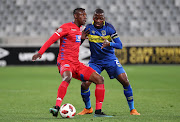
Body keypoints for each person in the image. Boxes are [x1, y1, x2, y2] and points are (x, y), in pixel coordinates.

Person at [32, 8, 112, 117]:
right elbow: (51, 39)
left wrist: (83, 38)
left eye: (85, 15)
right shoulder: (65, 27)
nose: (85, 17)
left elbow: (75, 43)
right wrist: (40, 52)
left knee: (99, 79)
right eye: (82, 15)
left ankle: (98, 112)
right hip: (65, 61)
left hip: (76, 64)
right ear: (75, 16)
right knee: (67, 77)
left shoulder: (81, 30)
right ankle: (56, 107)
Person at [77, 8, 140, 115]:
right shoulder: (88, 28)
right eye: (96, 18)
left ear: (103, 19)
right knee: (84, 85)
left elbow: (120, 45)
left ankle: (132, 109)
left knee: (125, 81)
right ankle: (88, 108)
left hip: (110, 60)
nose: (97, 20)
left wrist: (109, 43)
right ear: (93, 18)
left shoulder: (109, 28)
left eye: (100, 19)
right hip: (95, 62)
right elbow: (78, 43)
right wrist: (81, 38)